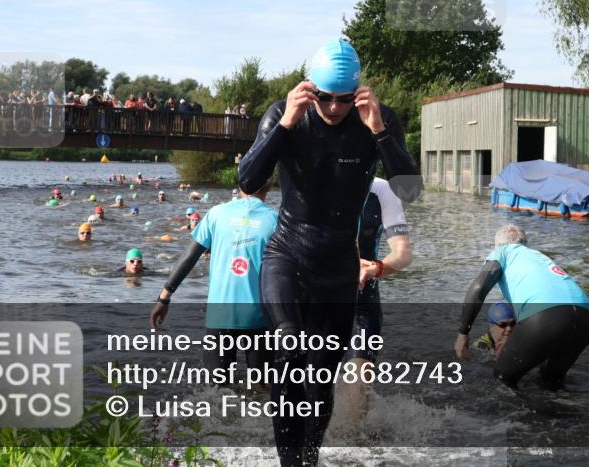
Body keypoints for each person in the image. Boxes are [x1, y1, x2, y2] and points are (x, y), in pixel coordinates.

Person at [238, 38, 421, 467]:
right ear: (310, 88)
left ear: (357, 92)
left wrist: (379, 131)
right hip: (288, 255)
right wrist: (285, 124)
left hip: (338, 264)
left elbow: (410, 190)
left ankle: (309, 460)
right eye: (325, 97)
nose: (335, 108)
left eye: (343, 99)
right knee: (287, 352)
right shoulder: (285, 115)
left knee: (321, 378)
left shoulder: (375, 118)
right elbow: (248, 182)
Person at [150, 180, 278, 371]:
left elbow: (190, 256)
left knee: (216, 388)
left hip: (220, 314)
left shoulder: (216, 214)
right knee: (262, 387)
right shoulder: (276, 220)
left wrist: (164, 298)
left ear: (240, 184)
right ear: (269, 186)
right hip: (260, 317)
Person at [454, 225, 589, 391]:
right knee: (550, 381)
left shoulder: (502, 251)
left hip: (548, 314)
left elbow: (478, 288)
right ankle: (562, 414)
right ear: (525, 244)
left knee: (502, 379)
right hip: (586, 318)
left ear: (496, 245)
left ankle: (511, 417)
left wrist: (463, 332)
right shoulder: (539, 256)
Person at [336, 176, 413, 421]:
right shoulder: (314, 177)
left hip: (362, 301)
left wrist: (375, 268)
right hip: (317, 299)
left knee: (355, 406)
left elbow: (403, 254)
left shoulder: (382, 190)